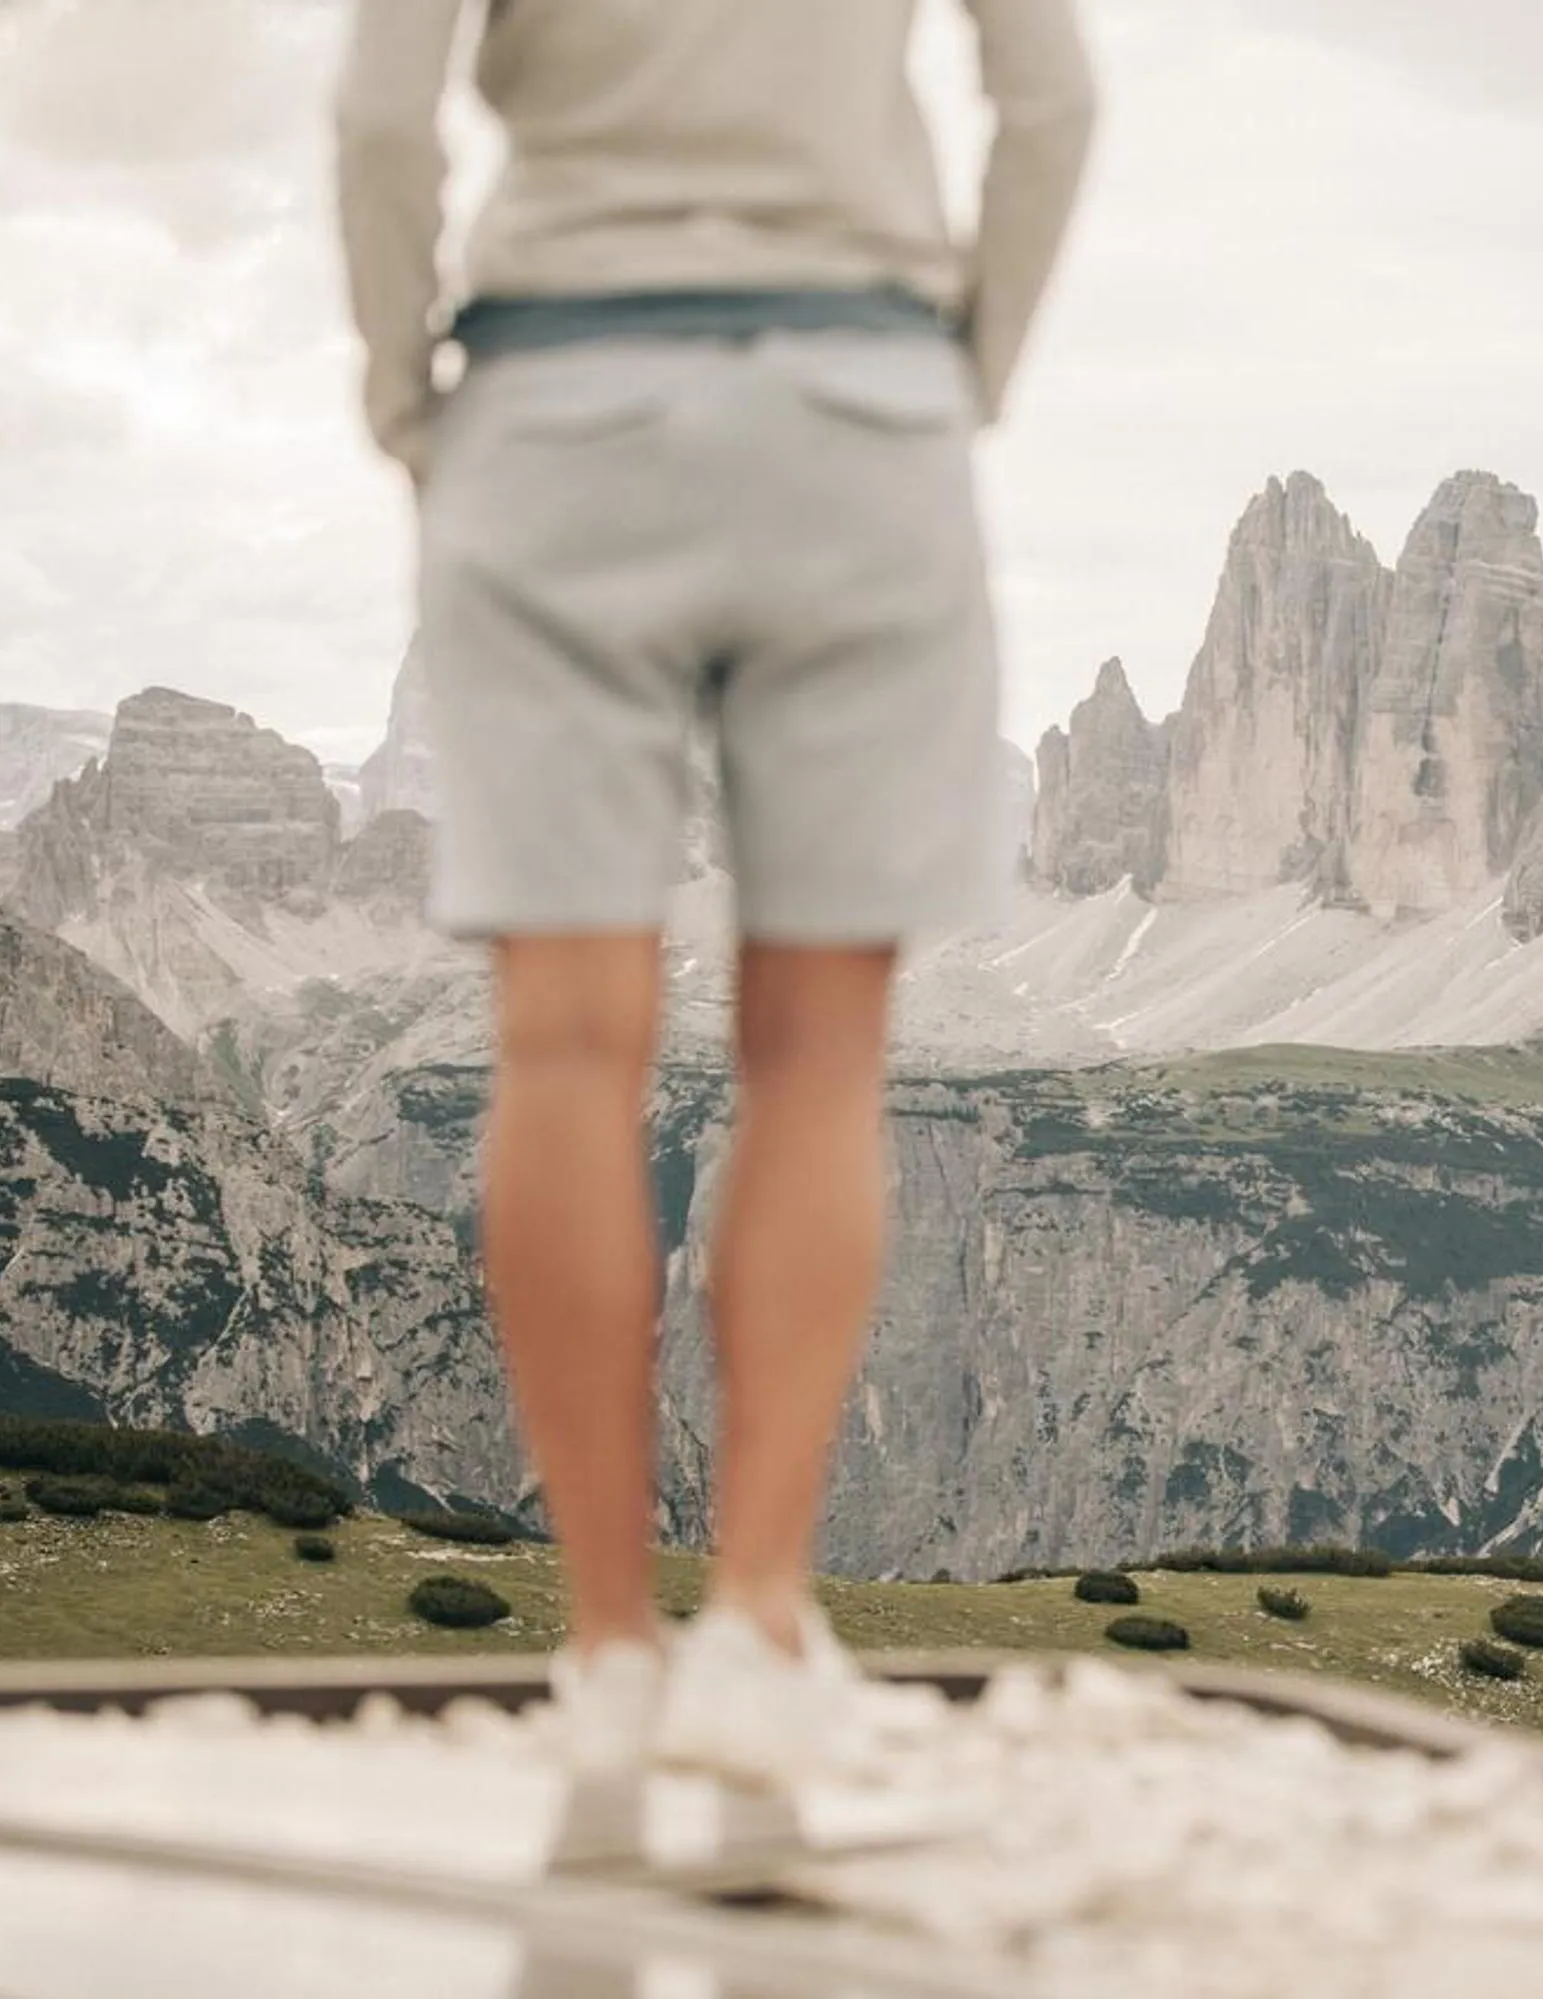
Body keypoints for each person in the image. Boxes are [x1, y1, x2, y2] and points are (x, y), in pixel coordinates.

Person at [333, 0, 1095, 1782]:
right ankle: (757, 1616)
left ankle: (606, 1645)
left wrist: (406, 400)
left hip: (554, 409)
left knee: (565, 1046)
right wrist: (955, 369)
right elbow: (1047, 94)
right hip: (861, 407)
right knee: (820, 1053)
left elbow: (382, 112)